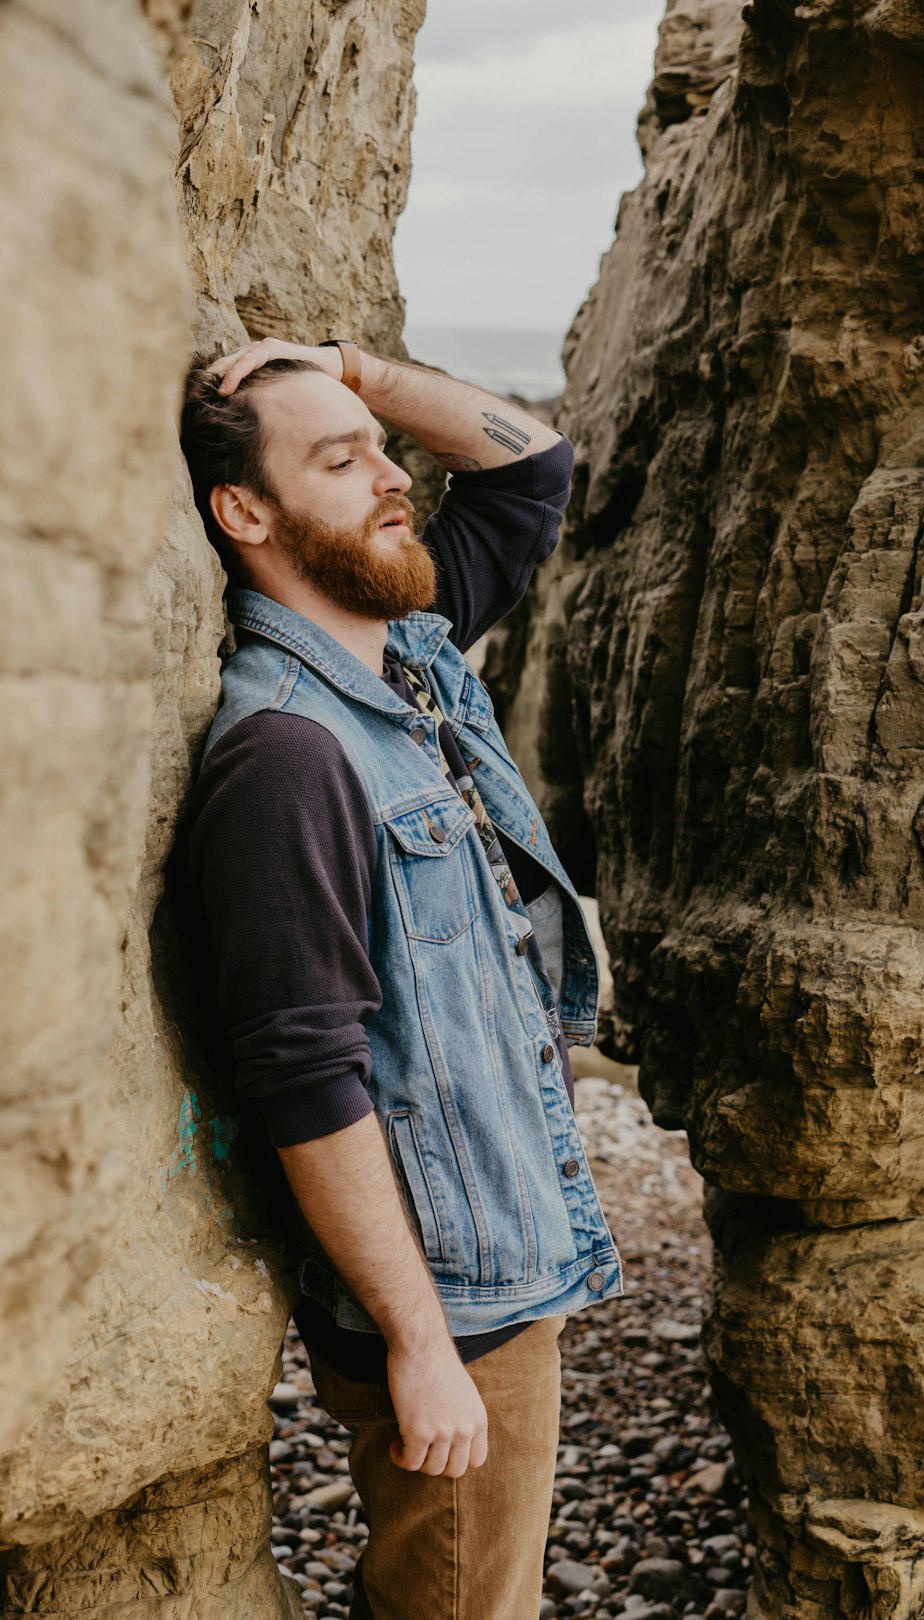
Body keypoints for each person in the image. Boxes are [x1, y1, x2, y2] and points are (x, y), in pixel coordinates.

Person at [175, 335, 623, 1620]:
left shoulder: (404, 648)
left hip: (503, 1256)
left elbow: (533, 466)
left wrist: (355, 378)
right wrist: (424, 1346)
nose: (392, 479)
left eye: (383, 453)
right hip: (454, 1297)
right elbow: (304, 1079)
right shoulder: (289, 759)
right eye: (340, 462)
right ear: (244, 512)